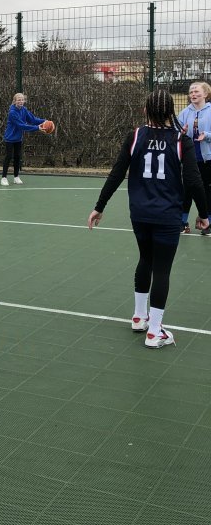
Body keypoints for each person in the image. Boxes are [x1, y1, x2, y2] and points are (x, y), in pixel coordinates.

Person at [87, 89, 209, 349]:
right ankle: (154, 332)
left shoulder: (135, 136)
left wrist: (99, 206)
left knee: (145, 259)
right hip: (167, 215)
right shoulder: (181, 140)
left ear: (146, 110)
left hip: (140, 213)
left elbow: (117, 173)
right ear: (170, 112)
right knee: (162, 270)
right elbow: (194, 181)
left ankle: (139, 317)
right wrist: (203, 213)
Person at [177, 81, 211, 236]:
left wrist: (207, 135)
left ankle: (207, 222)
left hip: (207, 160)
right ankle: (182, 222)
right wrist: (181, 132)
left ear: (205, 94)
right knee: (187, 191)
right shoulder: (185, 112)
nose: (193, 94)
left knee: (207, 191)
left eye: (196, 91)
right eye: (191, 92)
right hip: (190, 160)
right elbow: (176, 132)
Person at [1, 93, 48, 185]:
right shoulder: (12, 112)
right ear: (15, 101)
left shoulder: (24, 110)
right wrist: (37, 128)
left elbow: (33, 120)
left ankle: (16, 177)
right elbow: (21, 126)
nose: (21, 101)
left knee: (17, 157)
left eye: (22, 100)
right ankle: (4, 178)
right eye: (19, 100)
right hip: (9, 138)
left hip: (18, 138)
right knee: (8, 157)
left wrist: (45, 121)